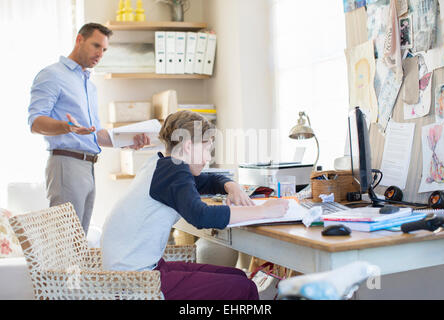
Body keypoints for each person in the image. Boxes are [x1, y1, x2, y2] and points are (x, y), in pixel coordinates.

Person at [101, 110, 289, 300]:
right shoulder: (174, 170)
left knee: (238, 276)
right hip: (136, 279)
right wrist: (263, 211)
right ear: (189, 146)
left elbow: (206, 180)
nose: (208, 158)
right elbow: (201, 216)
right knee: (243, 286)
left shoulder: (162, 165)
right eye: (207, 149)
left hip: (132, 270)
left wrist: (230, 185)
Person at [28, 23, 149, 234]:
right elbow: (36, 123)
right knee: (65, 241)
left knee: (78, 241)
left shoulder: (89, 85)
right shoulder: (52, 75)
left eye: (104, 50)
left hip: (88, 166)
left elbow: (95, 134)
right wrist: (67, 127)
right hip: (66, 163)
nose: (100, 54)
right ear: (79, 40)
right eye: (96, 46)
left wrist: (128, 140)